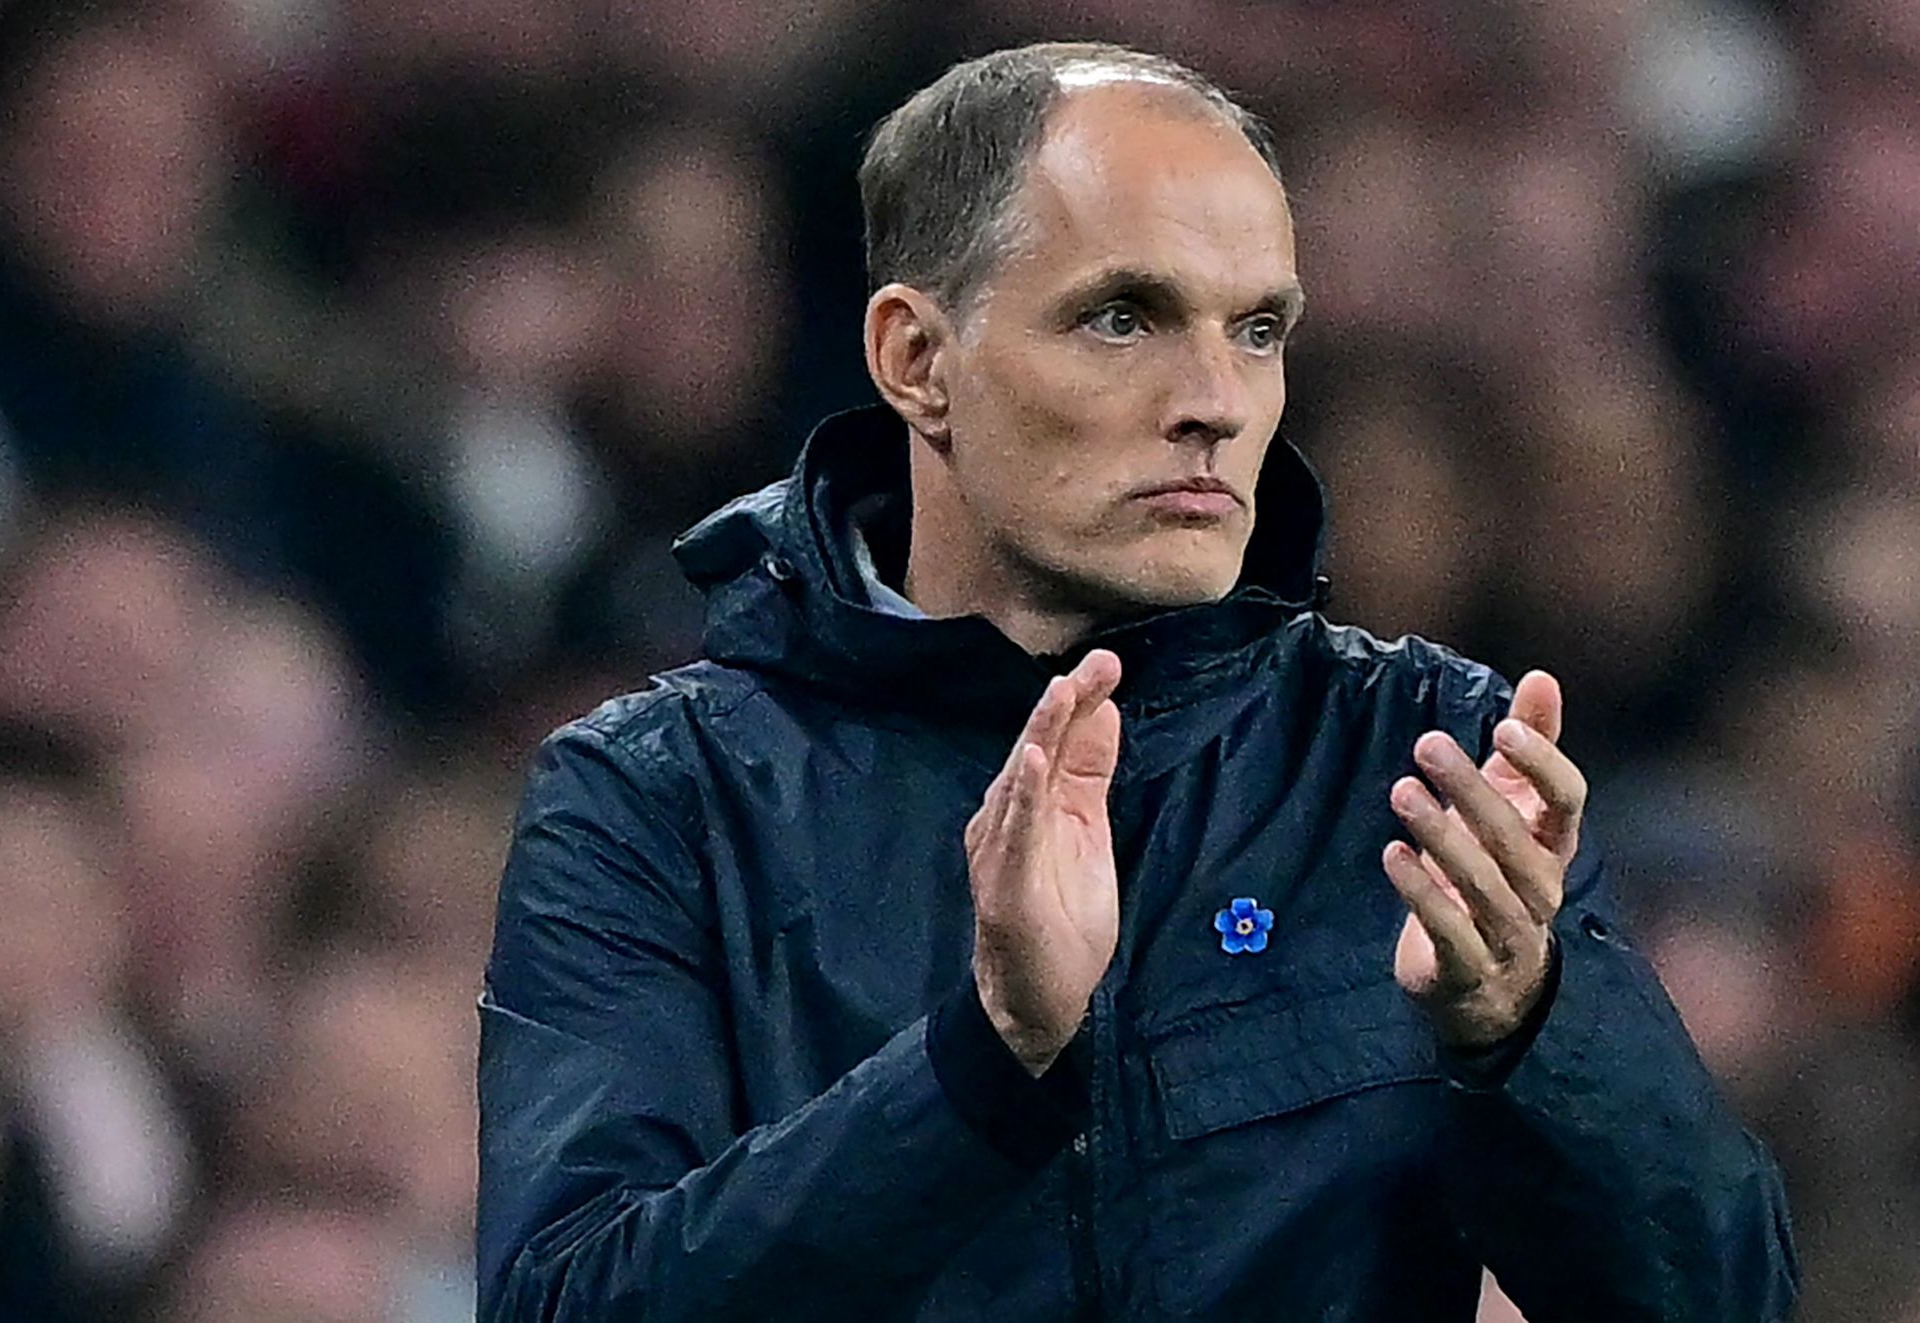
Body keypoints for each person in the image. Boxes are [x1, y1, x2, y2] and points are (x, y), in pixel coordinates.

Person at [476, 42, 1798, 1322]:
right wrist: (980, 1067)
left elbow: (1723, 1298)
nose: (1216, 399)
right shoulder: (659, 804)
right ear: (918, 361)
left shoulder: (1425, 758)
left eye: (1258, 330)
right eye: (1124, 317)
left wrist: (1530, 1033)